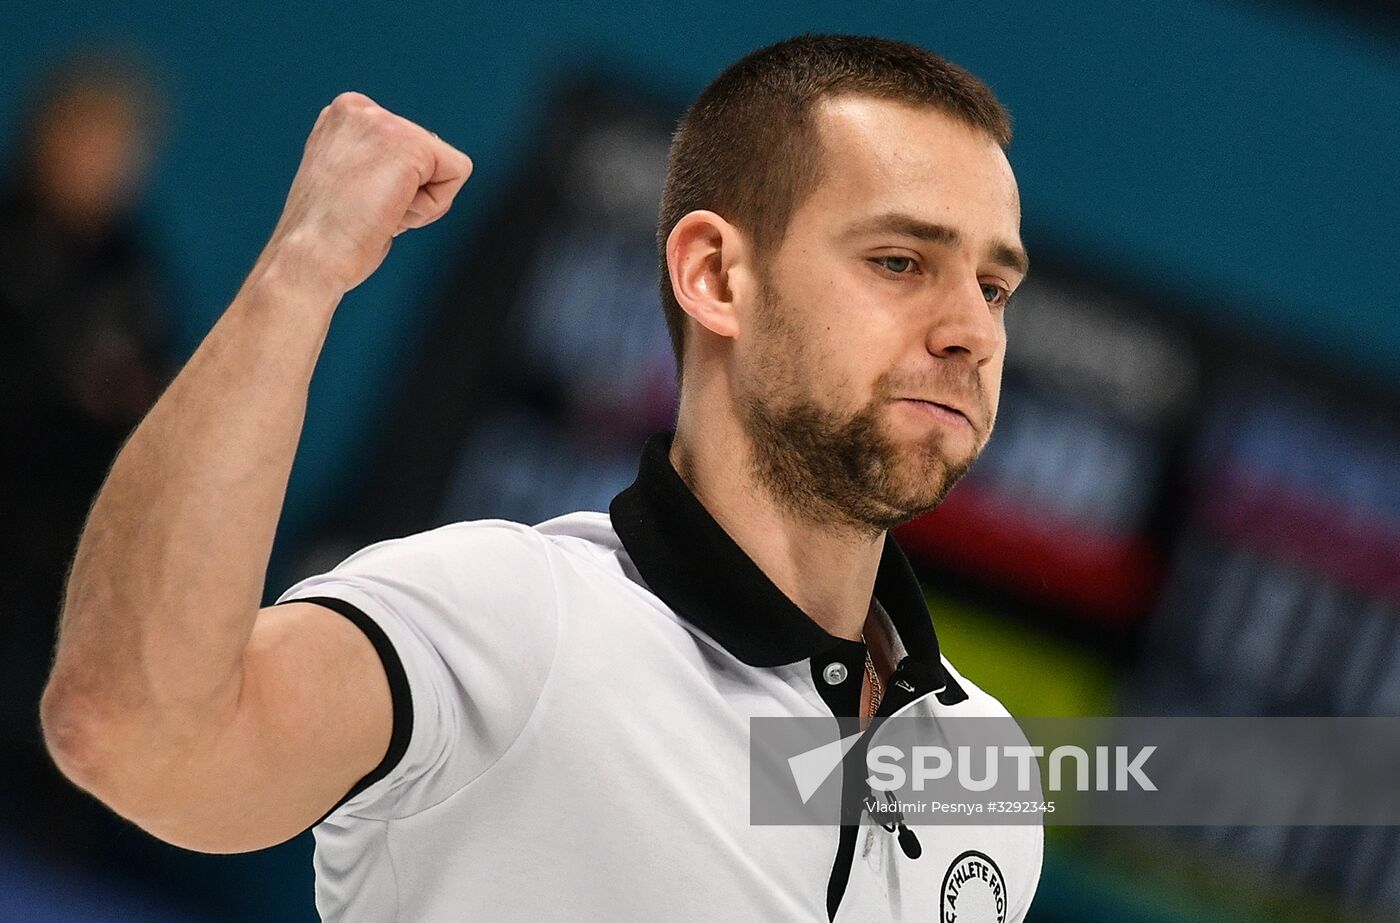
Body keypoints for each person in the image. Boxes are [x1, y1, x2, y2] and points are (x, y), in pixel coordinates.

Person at [41, 34, 1040, 921]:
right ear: (715, 276)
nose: (973, 331)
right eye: (900, 261)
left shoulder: (983, 761)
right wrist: (302, 268)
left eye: (994, 286)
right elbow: (134, 737)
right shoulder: (510, 617)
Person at [0, 51, 171, 853]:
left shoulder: (132, 264)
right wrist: (61, 380)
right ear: (50, 134)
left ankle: (57, 841)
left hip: (77, 518)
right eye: (92, 140)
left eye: (123, 149)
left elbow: (157, 377)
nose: (107, 165)